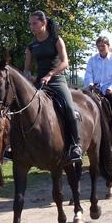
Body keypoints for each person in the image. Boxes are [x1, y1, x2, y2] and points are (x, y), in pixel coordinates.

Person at [24, 11, 82, 166]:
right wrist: (29, 76)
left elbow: (65, 63)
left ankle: (75, 145)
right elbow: (27, 69)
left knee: (69, 108)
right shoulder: (31, 46)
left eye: (34, 23)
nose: (32, 27)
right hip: (39, 83)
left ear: (43, 23)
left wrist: (50, 74)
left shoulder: (56, 40)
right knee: (22, 108)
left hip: (57, 81)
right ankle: (15, 146)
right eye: (30, 24)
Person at [84, 36, 112, 139]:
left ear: (108, 46)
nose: (100, 48)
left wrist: (111, 87)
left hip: (109, 87)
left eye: (103, 46)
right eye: (98, 46)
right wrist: (90, 84)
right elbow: (88, 73)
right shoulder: (92, 60)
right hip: (95, 87)